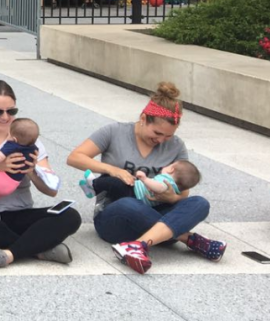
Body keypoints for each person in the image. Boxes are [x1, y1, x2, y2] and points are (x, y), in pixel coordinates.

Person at [67, 81, 222, 274]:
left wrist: (170, 197)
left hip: (156, 211)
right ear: (143, 118)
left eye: (168, 136)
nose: (161, 140)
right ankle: (186, 238)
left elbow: (184, 192)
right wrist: (113, 170)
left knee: (200, 203)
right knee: (130, 205)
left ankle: (139, 245)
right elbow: (74, 157)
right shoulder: (114, 132)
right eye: (157, 133)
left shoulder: (176, 145)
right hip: (116, 217)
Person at [0, 80, 80, 271]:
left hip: (19, 214)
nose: (5, 117)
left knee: (70, 216)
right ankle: (38, 248)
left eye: (11, 111)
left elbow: (51, 190)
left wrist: (32, 171)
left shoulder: (28, 138)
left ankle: (9, 254)